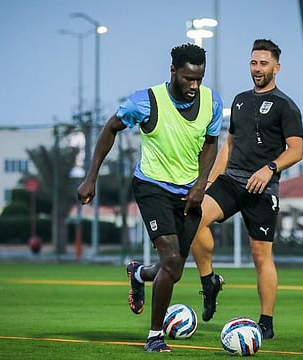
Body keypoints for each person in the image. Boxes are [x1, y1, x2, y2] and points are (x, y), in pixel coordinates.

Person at [77, 43, 223, 353]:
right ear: (173, 71)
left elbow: (212, 142)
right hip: (152, 187)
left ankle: (138, 274)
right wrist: (91, 177)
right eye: (187, 78)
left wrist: (201, 184)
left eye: (199, 78)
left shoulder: (211, 102)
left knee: (174, 270)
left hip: (190, 194)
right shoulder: (144, 101)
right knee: (170, 261)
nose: (194, 86)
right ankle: (155, 336)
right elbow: (111, 128)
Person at [190, 38, 303, 339]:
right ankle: (209, 281)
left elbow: (296, 150)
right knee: (193, 216)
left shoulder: (286, 106)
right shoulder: (239, 100)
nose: (257, 68)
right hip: (231, 181)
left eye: (263, 63)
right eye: (254, 62)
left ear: (276, 67)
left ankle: (266, 322)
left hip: (262, 189)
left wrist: (270, 169)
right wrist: (210, 181)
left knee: (260, 255)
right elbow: (228, 145)